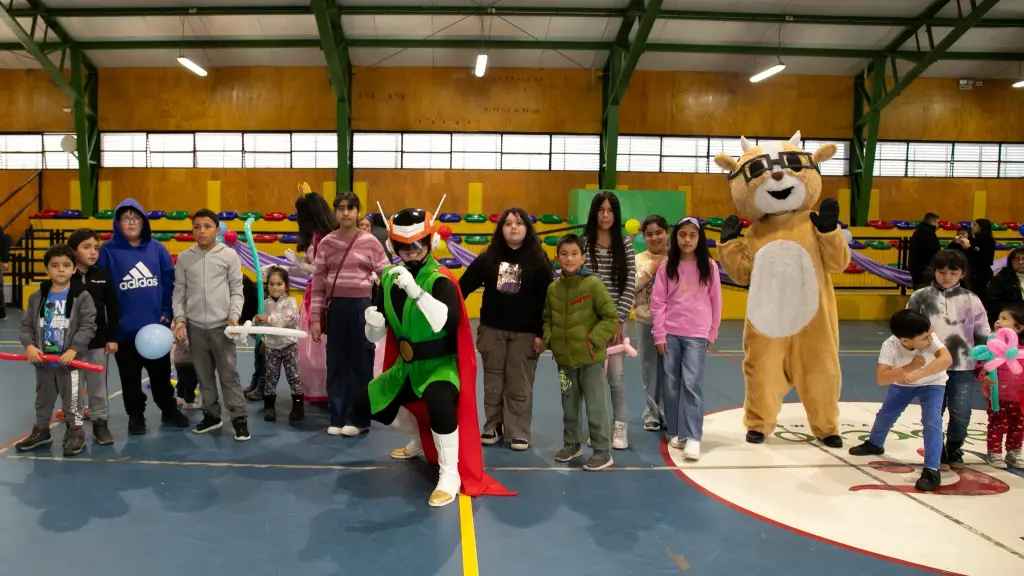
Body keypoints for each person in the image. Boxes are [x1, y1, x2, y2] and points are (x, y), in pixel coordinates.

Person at [354, 205, 514, 507]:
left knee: (439, 402)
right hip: (406, 367)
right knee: (364, 403)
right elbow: (380, 332)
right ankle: (423, 437)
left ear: (430, 243)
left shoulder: (440, 279)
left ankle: (449, 473)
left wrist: (416, 292)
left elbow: (448, 322)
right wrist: (372, 326)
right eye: (403, 247)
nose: (411, 252)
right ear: (393, 246)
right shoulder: (387, 279)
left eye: (417, 245)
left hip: (441, 366)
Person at [459, 207, 553, 450]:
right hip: (492, 332)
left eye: (519, 223)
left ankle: (518, 431)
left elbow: (548, 300)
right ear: (501, 229)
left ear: (527, 229)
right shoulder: (488, 257)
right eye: (508, 223)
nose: (513, 227)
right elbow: (463, 286)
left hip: (526, 334)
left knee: (519, 383)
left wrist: (543, 334)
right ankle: (492, 426)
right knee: (493, 381)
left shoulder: (539, 259)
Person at [97, 199, 189, 435]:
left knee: (161, 375)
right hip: (124, 331)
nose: (131, 222)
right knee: (129, 378)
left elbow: (170, 284)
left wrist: (167, 314)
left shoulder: (157, 249)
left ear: (144, 222)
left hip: (155, 330)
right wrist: (110, 327)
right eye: (126, 218)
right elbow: (103, 292)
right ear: (118, 222)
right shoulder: (107, 252)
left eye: (136, 218)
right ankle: (135, 415)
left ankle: (168, 410)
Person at [309, 192, 389, 436]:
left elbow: (386, 276)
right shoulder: (327, 243)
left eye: (350, 208)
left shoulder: (371, 242)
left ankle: (358, 418)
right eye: (341, 208)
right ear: (335, 212)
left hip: (362, 308)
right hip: (337, 309)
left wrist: (383, 311)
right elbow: (319, 283)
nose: (345, 212)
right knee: (336, 363)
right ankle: (337, 416)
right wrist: (314, 318)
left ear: (358, 212)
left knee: (360, 363)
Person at [848, 309, 952, 492]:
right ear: (904, 340)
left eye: (929, 335)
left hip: (933, 383)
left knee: (932, 421)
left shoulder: (930, 338)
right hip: (903, 385)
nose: (930, 339)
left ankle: (932, 469)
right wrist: (908, 368)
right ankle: (875, 443)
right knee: (886, 415)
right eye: (924, 338)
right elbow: (881, 378)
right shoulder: (890, 345)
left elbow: (946, 359)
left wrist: (919, 373)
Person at [907, 249, 990, 469]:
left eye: (953, 272)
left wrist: (986, 365)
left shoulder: (972, 300)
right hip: (931, 366)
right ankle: (937, 449)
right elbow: (908, 329)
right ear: (934, 271)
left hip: (963, 366)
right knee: (934, 413)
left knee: (961, 412)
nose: (946, 277)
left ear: (962, 274)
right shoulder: (920, 297)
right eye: (941, 271)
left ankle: (954, 446)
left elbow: (983, 333)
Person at [172, 209, 249, 441]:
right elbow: (179, 292)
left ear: (217, 230)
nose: (201, 230)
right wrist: (180, 319)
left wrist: (234, 316)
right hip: (196, 327)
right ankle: (212, 416)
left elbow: (237, 289)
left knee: (229, 375)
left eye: (207, 226)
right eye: (197, 226)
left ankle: (239, 418)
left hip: (222, 327)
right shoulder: (185, 257)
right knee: (204, 376)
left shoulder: (229, 256)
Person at [544, 234, 619, 471]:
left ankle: (602, 451)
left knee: (596, 405)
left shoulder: (593, 284)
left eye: (574, 253)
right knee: (569, 403)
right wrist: (551, 339)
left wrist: (592, 340)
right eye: (564, 254)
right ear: (557, 258)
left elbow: (610, 317)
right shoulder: (553, 289)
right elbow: (546, 319)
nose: (569, 258)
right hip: (564, 360)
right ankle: (572, 443)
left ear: (583, 257)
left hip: (590, 359)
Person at [15, 244, 97, 456]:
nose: (60, 269)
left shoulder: (82, 296)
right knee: (43, 399)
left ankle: (75, 432)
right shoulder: (37, 297)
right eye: (55, 265)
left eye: (66, 265)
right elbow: (26, 326)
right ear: (47, 269)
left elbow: (88, 326)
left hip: (71, 363)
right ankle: (42, 430)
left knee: (72, 400)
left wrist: (73, 349)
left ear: (73, 269)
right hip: (44, 362)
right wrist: (30, 346)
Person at [651, 217, 722, 461]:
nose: (687, 239)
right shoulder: (666, 267)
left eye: (693, 235)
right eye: (683, 235)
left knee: (691, 384)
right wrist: (659, 333)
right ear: (676, 237)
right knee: (671, 383)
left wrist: (712, 330)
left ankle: (693, 436)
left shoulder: (709, 266)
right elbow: (658, 302)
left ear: (699, 238)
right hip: (671, 333)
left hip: (696, 334)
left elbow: (716, 300)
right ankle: (675, 430)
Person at [581, 192, 635, 449]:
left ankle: (619, 427)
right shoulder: (583, 243)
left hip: (614, 324)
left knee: (615, 376)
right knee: (593, 380)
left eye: (610, 210)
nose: (605, 215)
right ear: (594, 213)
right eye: (601, 210)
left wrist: (619, 319)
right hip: (590, 324)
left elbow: (630, 284)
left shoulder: (624, 244)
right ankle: (598, 428)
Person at [67, 228, 120, 445]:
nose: (92, 252)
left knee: (98, 385)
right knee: (73, 386)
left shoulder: (102, 276)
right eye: (86, 247)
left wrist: (112, 337)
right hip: (70, 344)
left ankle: (100, 423)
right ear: (73, 249)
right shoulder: (65, 277)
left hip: (98, 342)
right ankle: (75, 426)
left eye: (96, 248)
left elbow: (113, 309)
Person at [287, 188, 337, 403]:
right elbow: (309, 268)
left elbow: (322, 270)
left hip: (326, 298)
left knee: (320, 348)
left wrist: (301, 266)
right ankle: (320, 389)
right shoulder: (316, 236)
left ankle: (327, 389)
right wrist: (285, 269)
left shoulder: (327, 238)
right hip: (313, 295)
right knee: (313, 349)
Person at [633, 215, 669, 431]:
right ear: (643, 237)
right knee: (649, 369)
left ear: (667, 233)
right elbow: (630, 288)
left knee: (670, 369)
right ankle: (652, 413)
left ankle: (669, 411)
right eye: (649, 234)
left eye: (659, 232)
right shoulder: (637, 260)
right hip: (645, 319)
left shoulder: (677, 257)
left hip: (672, 323)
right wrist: (649, 274)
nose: (654, 237)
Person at [255, 266, 303, 422]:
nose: (275, 287)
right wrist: (258, 325)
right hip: (271, 348)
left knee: (294, 377)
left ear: (286, 286)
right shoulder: (265, 303)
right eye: (271, 284)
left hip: (289, 347)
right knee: (271, 377)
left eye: (279, 284)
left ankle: (298, 406)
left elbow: (287, 319)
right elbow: (262, 324)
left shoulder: (291, 302)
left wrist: (267, 319)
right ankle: (269, 407)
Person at [979, 304, 1024, 469]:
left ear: (1018, 328)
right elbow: (982, 368)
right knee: (996, 424)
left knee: (1018, 427)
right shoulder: (991, 348)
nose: (998, 321)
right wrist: (984, 378)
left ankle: (1014, 452)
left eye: (1004, 319)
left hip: (1019, 398)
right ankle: (994, 451)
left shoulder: (1021, 350)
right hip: (998, 396)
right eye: (998, 317)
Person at [986, 246, 1024, 325]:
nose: (1020, 262)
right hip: (1009, 320)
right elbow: (992, 303)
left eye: (1023, 259)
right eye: (1016, 260)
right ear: (1010, 262)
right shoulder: (1000, 279)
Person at [908, 212, 941, 289]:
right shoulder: (928, 233)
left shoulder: (919, 231)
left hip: (917, 269)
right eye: (937, 223)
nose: (938, 225)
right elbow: (934, 251)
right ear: (932, 222)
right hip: (925, 270)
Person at [172, 336, 201, 410]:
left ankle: (180, 399)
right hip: (187, 361)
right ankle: (189, 402)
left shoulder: (179, 325)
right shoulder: (182, 327)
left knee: (182, 380)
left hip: (181, 358)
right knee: (191, 382)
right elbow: (186, 345)